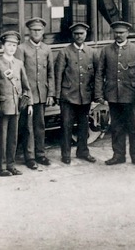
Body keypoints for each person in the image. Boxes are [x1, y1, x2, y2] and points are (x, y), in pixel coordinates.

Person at [96, 21, 135, 167]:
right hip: (113, 95)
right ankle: (118, 155)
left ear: (127, 33)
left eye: (122, 32)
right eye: (116, 32)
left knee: (134, 126)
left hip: (130, 95)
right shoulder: (106, 50)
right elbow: (99, 73)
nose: (119, 35)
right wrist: (99, 94)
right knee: (116, 127)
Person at [15, 17, 55, 170]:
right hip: (28, 95)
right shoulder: (22, 48)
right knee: (28, 127)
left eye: (39, 30)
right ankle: (29, 157)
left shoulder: (47, 49)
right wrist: (24, 95)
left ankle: (41, 154)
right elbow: (19, 74)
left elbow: (50, 73)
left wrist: (51, 93)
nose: (36, 33)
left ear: (43, 32)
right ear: (29, 32)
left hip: (42, 94)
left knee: (40, 125)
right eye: (33, 30)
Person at [54, 23, 98, 165]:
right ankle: (66, 154)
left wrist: (96, 93)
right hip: (67, 96)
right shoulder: (64, 52)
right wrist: (57, 95)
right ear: (72, 35)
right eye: (76, 34)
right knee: (66, 125)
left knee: (83, 125)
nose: (79, 36)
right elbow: (58, 75)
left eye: (82, 34)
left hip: (85, 96)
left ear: (86, 34)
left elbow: (97, 75)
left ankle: (83, 151)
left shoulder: (91, 52)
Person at [0, 31, 32, 177]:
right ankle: (1, 166)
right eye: (9, 45)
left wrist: (29, 103)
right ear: (3, 46)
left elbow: (25, 85)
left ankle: (11, 165)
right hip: (3, 107)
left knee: (13, 137)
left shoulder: (19, 63)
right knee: (1, 138)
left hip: (16, 106)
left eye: (14, 45)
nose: (11, 48)